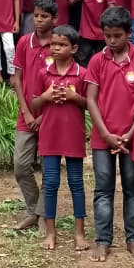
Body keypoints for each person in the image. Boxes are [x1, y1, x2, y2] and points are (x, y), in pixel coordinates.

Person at [85, 5, 134, 260]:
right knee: (103, 188)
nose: (112, 41)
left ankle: (133, 238)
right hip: (103, 137)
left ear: (129, 33)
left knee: (132, 188)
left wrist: (130, 133)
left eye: (117, 35)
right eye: (107, 36)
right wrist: (105, 134)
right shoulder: (96, 61)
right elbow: (91, 100)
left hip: (133, 137)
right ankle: (103, 240)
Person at [31, 24, 90, 251]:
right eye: (54, 44)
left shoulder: (82, 74)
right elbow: (34, 103)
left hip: (73, 135)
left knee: (76, 183)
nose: (56, 48)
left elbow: (90, 104)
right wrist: (46, 96)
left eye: (62, 45)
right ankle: (51, 232)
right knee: (51, 183)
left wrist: (75, 97)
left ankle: (79, 233)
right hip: (50, 135)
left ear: (73, 48)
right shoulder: (43, 73)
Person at [11, 0, 58, 230]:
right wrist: (26, 112)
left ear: (54, 19)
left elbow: (62, 81)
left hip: (51, 115)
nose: (38, 21)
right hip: (27, 114)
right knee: (20, 165)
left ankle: (42, 213)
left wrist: (43, 115)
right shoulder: (24, 42)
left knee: (50, 168)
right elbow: (16, 78)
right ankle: (32, 209)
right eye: (36, 16)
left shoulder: (59, 44)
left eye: (44, 16)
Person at [73, 0, 112, 66]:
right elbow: (72, 0)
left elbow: (111, 5)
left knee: (102, 60)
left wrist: (110, 22)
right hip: (86, 32)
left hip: (101, 32)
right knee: (82, 59)